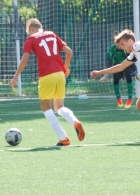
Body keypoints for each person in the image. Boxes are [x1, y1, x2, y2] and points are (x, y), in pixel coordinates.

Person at [9, 18, 85, 146]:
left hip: (46, 75)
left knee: (46, 108)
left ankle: (64, 138)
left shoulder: (31, 39)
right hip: (60, 74)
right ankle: (74, 121)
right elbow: (69, 52)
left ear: (31, 29)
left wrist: (15, 77)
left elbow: (24, 60)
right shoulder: (52, 35)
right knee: (60, 107)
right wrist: (65, 68)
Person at [91, 29, 140, 119]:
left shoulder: (136, 46)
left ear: (130, 41)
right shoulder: (135, 53)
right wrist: (100, 72)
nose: (122, 47)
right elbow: (121, 66)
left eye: (123, 44)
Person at [99, 31, 140, 109]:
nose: (119, 45)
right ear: (114, 42)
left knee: (129, 76)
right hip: (117, 66)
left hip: (127, 65)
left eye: (120, 43)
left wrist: (136, 72)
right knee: (115, 79)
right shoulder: (111, 49)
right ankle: (118, 98)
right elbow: (109, 63)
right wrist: (106, 75)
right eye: (117, 43)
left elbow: (131, 61)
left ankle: (130, 98)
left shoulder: (126, 49)